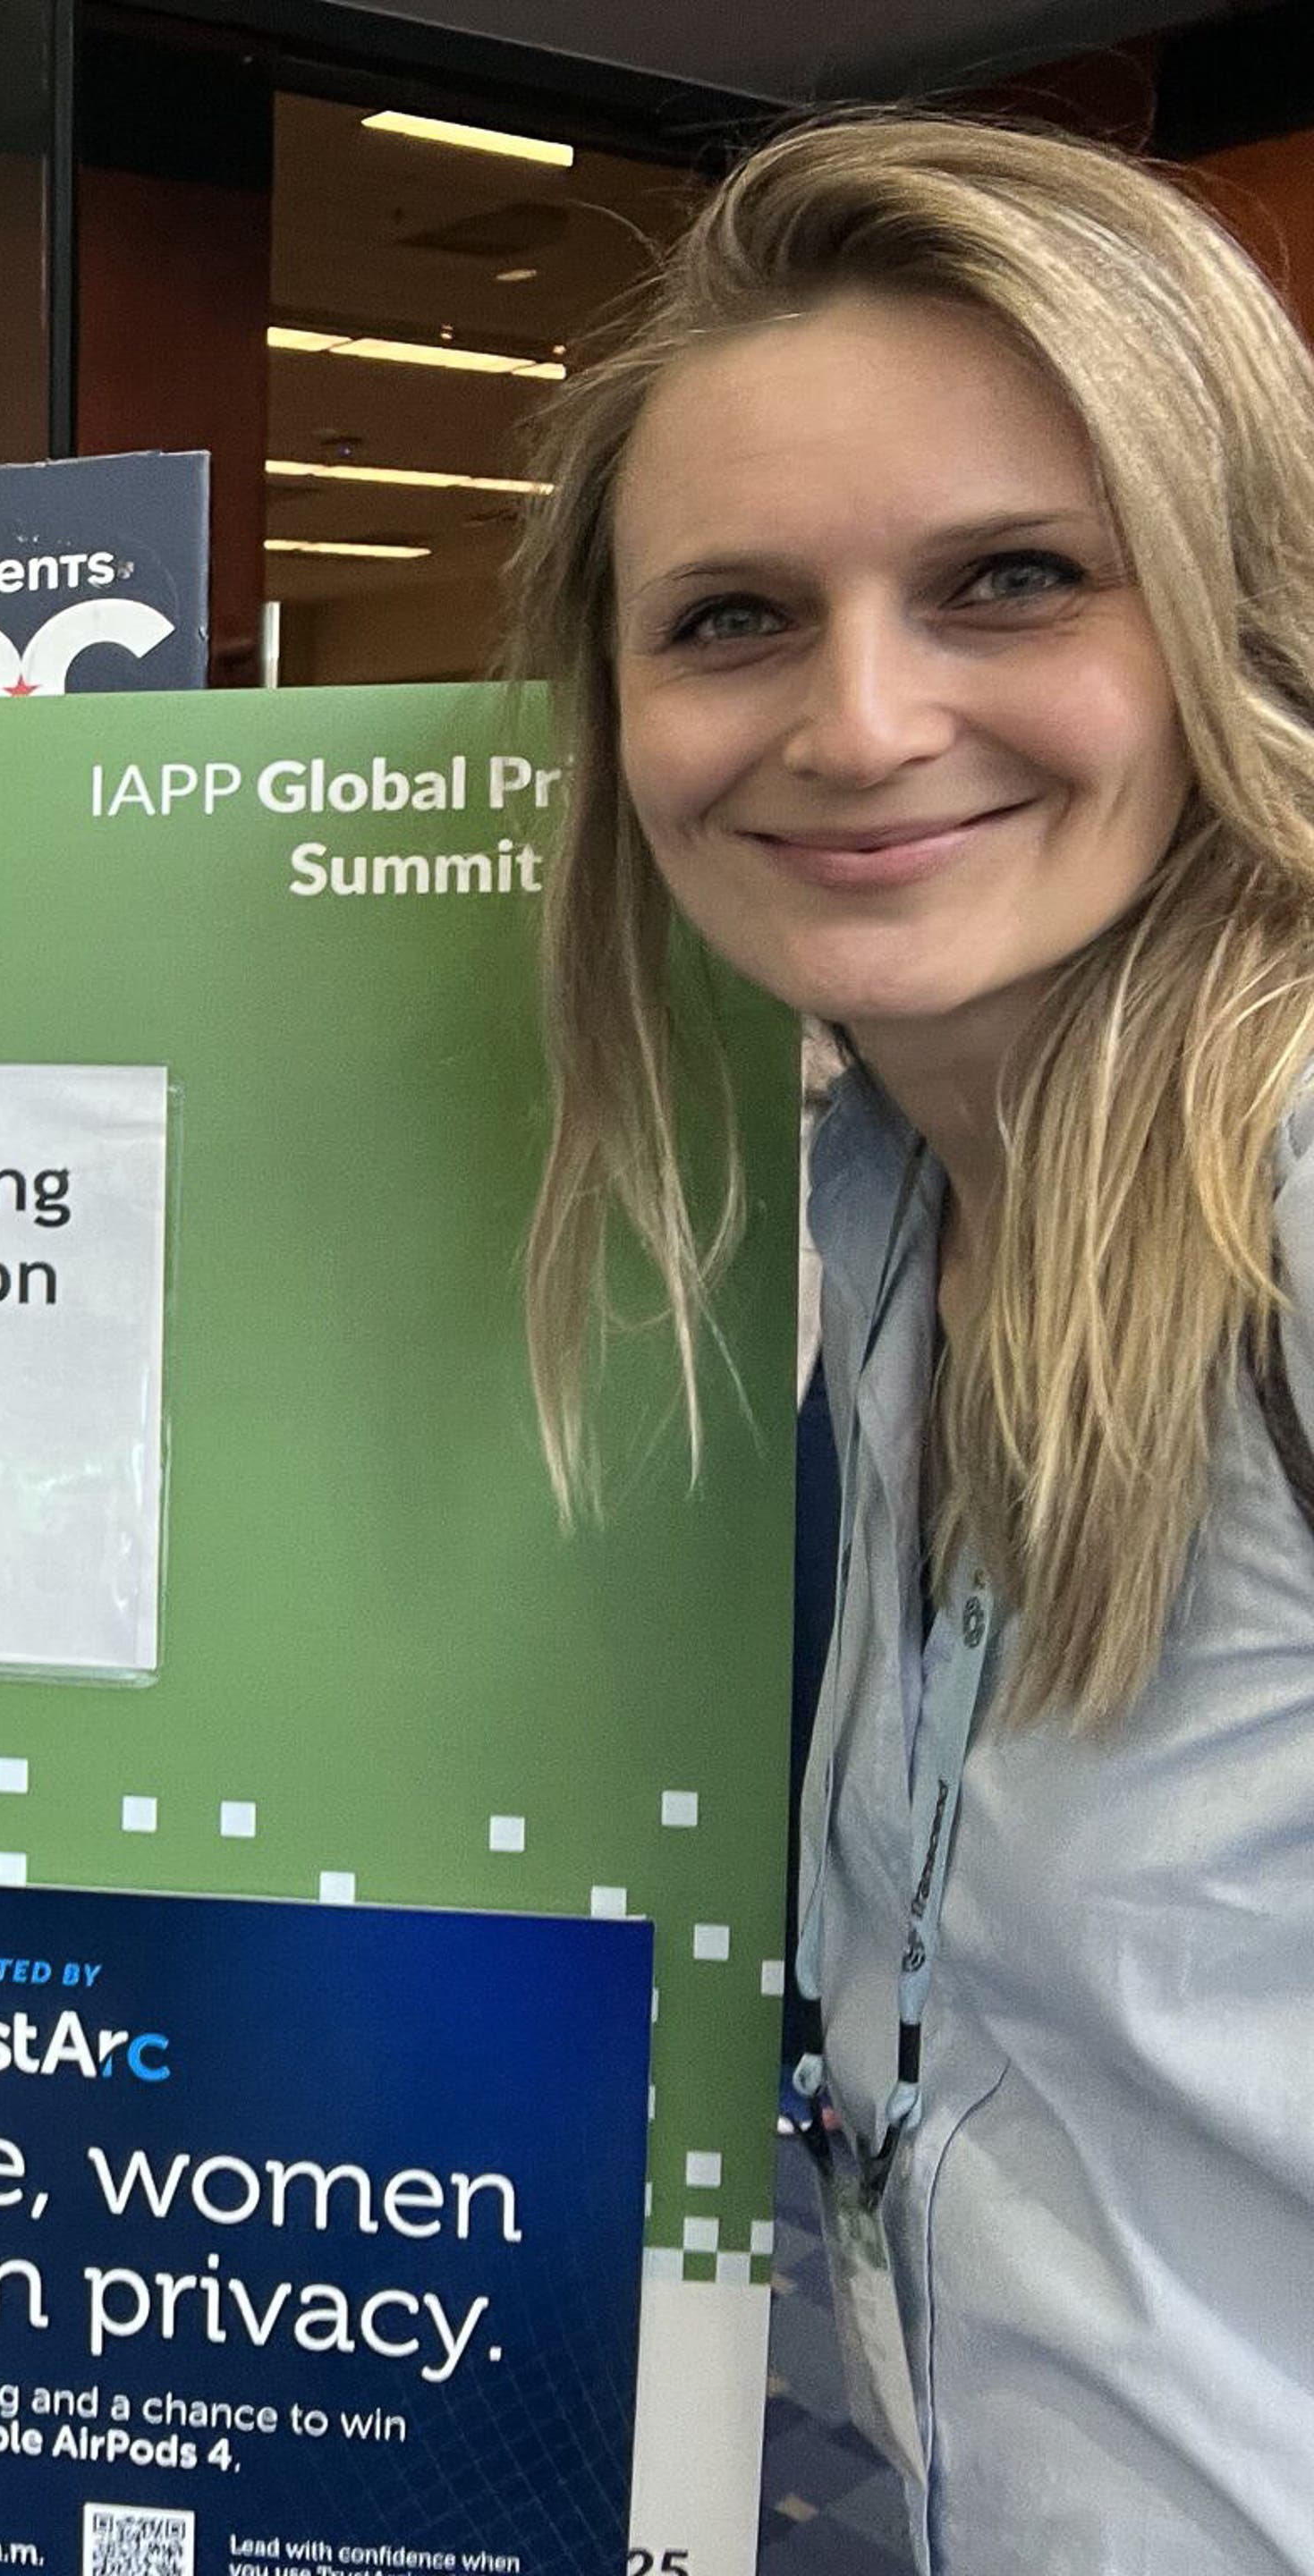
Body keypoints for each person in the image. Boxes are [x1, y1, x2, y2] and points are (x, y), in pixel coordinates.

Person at [514, 115, 1314, 2570]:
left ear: (1222, 615)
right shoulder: (882, 1211)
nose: (858, 727)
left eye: (1010, 581)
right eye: (735, 618)